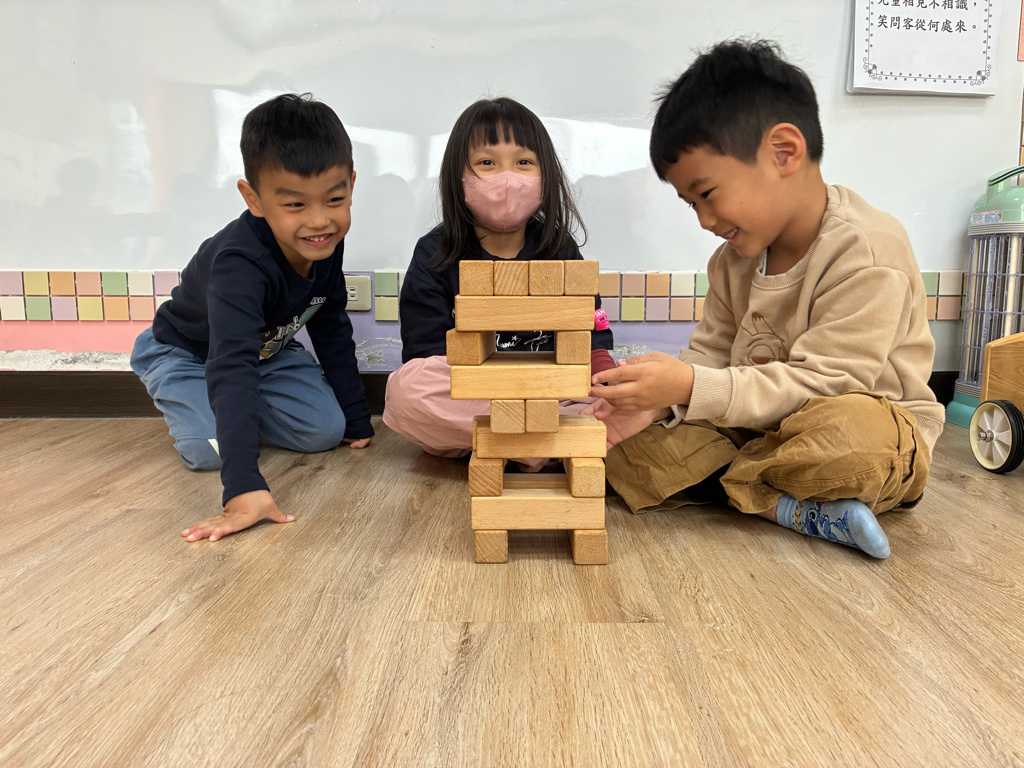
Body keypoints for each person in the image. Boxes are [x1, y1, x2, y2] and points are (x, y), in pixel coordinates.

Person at [584, 40, 945, 559]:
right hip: (753, 429)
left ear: (783, 152)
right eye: (691, 204)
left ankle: (743, 487)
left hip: (864, 420)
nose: (704, 220)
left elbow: (829, 384)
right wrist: (660, 403)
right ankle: (781, 502)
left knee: (849, 439)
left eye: (707, 194)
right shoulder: (730, 262)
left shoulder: (867, 250)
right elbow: (710, 355)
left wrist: (689, 387)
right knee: (625, 446)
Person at [130, 93, 373, 543]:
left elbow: (330, 325)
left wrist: (356, 415)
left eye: (335, 199)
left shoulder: (324, 244)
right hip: (189, 353)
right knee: (208, 450)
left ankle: (234, 410)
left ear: (351, 186)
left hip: (266, 352)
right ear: (253, 198)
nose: (320, 221)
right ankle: (213, 407)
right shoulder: (238, 263)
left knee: (326, 430)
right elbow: (230, 362)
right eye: (296, 205)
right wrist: (243, 487)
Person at [383, 97, 616, 468]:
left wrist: (605, 379)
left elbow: (590, 327)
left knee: (620, 395)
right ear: (459, 176)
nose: (507, 178)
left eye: (523, 163)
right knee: (406, 389)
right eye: (486, 163)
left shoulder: (558, 247)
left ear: (545, 176)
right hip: (476, 392)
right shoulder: (435, 253)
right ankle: (548, 445)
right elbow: (424, 353)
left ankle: (516, 443)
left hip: (548, 390)